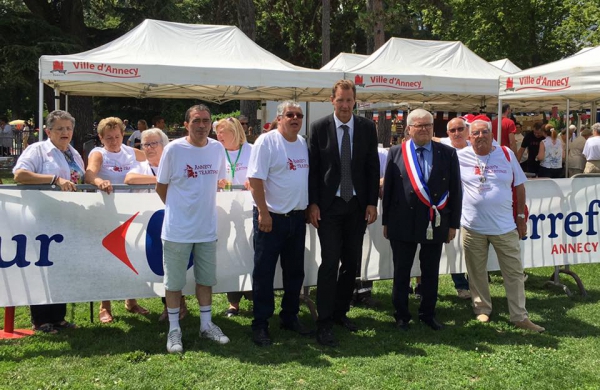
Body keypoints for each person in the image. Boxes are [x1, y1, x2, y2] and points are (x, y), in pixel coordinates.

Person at [308, 80, 379, 347]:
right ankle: (324, 321)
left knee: (352, 263)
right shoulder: (319, 127)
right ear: (332, 100)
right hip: (329, 207)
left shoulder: (366, 128)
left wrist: (372, 202)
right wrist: (312, 203)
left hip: (357, 206)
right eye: (340, 100)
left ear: (355, 101)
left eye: (349, 101)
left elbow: (373, 167)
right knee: (330, 263)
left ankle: (340, 313)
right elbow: (313, 170)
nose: (345, 105)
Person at [457, 116, 545, 332]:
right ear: (470, 137)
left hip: (505, 227)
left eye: (484, 132)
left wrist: (521, 217)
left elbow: (520, 186)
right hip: (472, 227)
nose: (480, 136)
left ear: (491, 135)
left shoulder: (505, 154)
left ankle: (519, 316)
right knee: (476, 272)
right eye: (475, 133)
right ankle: (482, 310)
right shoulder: (460, 157)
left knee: (514, 272)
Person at [156, 104, 229, 353]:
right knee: (174, 282)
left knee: (205, 280)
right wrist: (180, 210)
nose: (201, 125)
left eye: (206, 121)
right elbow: (161, 186)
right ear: (186, 124)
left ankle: (206, 324)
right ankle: (174, 329)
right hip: (177, 229)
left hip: (207, 228)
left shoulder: (217, 148)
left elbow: (218, 182)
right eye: (196, 121)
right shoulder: (174, 149)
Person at [382, 108, 462, 332]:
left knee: (430, 271)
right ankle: (401, 315)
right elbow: (388, 189)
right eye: (419, 125)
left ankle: (428, 313)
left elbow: (455, 190)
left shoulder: (447, 153)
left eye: (428, 125)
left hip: (434, 222)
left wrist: (453, 224)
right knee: (402, 271)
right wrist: (385, 221)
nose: (425, 129)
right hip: (402, 220)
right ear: (409, 129)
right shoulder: (397, 152)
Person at [247, 101, 311, 347]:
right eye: (290, 115)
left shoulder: (303, 143)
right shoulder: (267, 141)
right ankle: (261, 323)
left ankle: (289, 316)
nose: (295, 118)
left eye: (299, 115)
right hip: (270, 218)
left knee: (295, 272)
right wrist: (263, 213)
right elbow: (255, 179)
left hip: (296, 218)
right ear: (279, 118)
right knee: (264, 273)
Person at [12, 110, 83, 333]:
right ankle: (41, 319)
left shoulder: (73, 153)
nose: (65, 132)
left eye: (68, 128)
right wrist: (54, 179)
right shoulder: (38, 150)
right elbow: (19, 174)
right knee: (43, 267)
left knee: (60, 268)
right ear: (48, 131)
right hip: (41, 219)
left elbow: (81, 177)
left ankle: (58, 316)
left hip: (67, 219)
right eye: (60, 129)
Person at [85, 116, 149, 323]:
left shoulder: (133, 153)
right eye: (109, 138)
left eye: (117, 136)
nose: (113, 141)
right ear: (101, 138)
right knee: (108, 257)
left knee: (132, 255)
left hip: (132, 212)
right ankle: (105, 306)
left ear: (123, 135)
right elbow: (89, 174)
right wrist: (99, 181)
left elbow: (156, 159)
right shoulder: (98, 153)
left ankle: (131, 301)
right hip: (108, 213)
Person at [215, 117, 254, 316]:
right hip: (225, 211)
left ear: (236, 132)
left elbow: (262, 174)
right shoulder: (215, 152)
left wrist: (254, 181)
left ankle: (254, 294)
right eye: (218, 132)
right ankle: (233, 302)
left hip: (250, 211)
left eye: (223, 131)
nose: (218, 135)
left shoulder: (252, 150)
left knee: (250, 252)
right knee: (230, 252)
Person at [434, 117, 472, 299]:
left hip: (473, 209)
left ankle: (476, 284)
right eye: (453, 130)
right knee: (453, 248)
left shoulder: (477, 150)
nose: (457, 133)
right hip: (450, 207)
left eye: (460, 129)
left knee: (474, 249)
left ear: (467, 131)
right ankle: (461, 285)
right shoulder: (443, 151)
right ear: (448, 134)